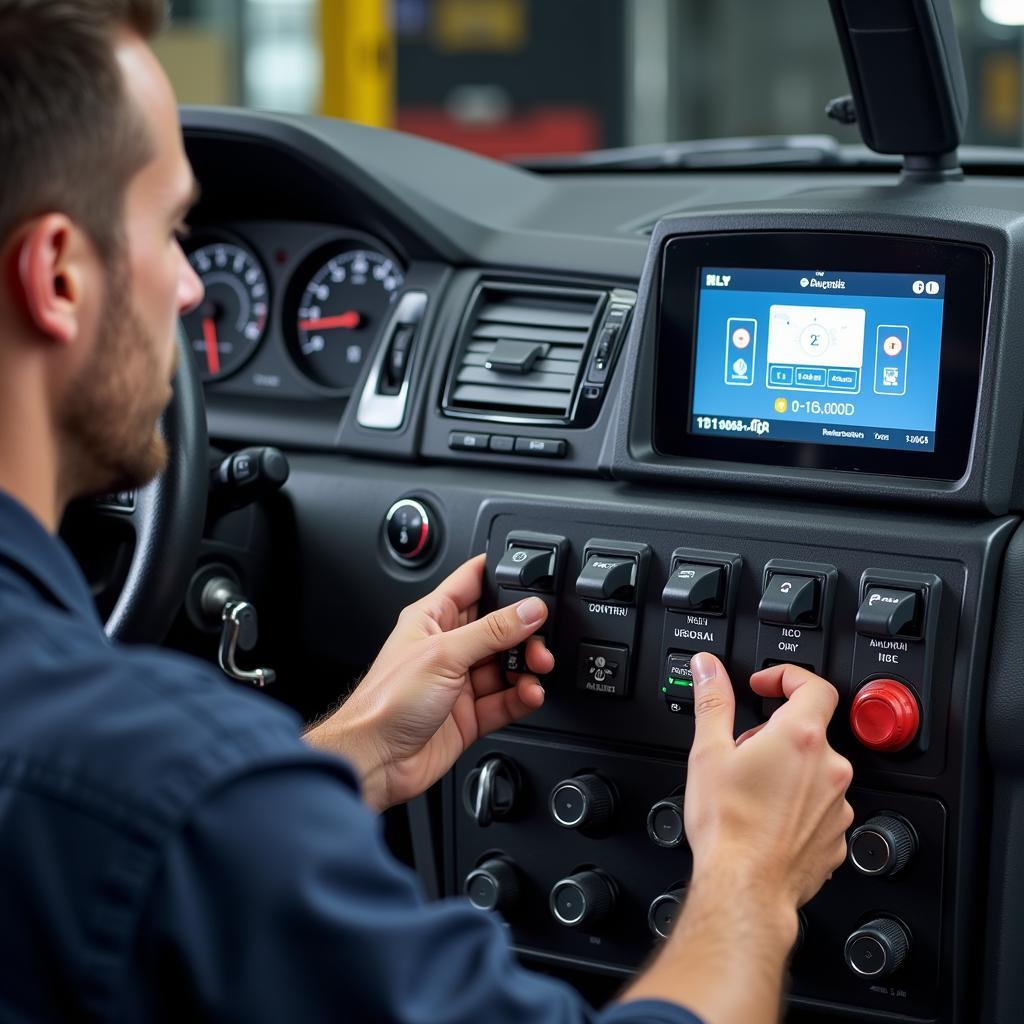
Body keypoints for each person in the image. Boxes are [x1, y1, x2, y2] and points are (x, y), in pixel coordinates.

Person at [0, 2, 855, 1022]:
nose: (192, 289)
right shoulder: (170, 785)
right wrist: (751, 876)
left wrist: (343, 750)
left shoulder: (141, 790)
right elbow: (156, 818)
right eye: (175, 230)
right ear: (57, 274)